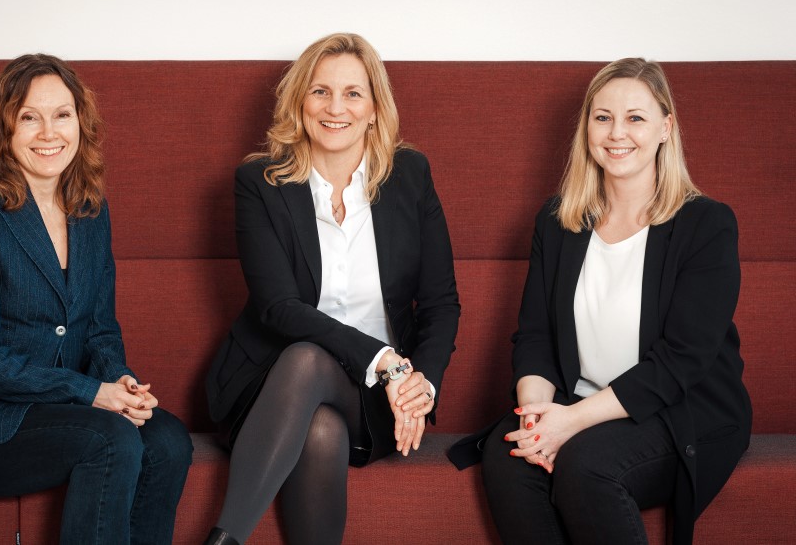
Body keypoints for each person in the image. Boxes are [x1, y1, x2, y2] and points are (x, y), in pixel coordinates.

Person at [0, 53, 193, 545]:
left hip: (58, 410)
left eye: (61, 115)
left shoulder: (89, 204)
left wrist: (118, 382)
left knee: (168, 439)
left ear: (80, 123)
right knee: (109, 439)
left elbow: (100, 326)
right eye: (29, 117)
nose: (49, 133)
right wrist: (89, 393)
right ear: (5, 128)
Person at [475, 58, 751, 545]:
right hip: (578, 401)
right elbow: (535, 334)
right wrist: (537, 417)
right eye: (602, 117)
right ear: (587, 127)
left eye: (635, 118)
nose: (616, 132)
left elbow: (681, 362)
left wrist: (570, 424)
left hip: (681, 411)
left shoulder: (706, 226)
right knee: (508, 453)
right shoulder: (558, 220)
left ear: (666, 128)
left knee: (585, 465)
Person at [203, 33, 460, 545]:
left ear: (373, 108)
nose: (335, 108)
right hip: (270, 385)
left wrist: (418, 384)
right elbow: (279, 308)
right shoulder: (261, 182)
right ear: (299, 103)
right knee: (315, 403)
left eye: (352, 94)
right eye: (320, 92)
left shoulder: (410, 176)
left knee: (321, 396)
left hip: (378, 397)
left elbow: (440, 303)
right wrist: (387, 360)